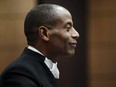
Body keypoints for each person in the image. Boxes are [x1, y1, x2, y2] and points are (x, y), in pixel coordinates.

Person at [0, 4, 79, 87]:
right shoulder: (20, 73)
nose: (76, 34)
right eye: (67, 28)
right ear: (44, 33)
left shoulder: (35, 68)